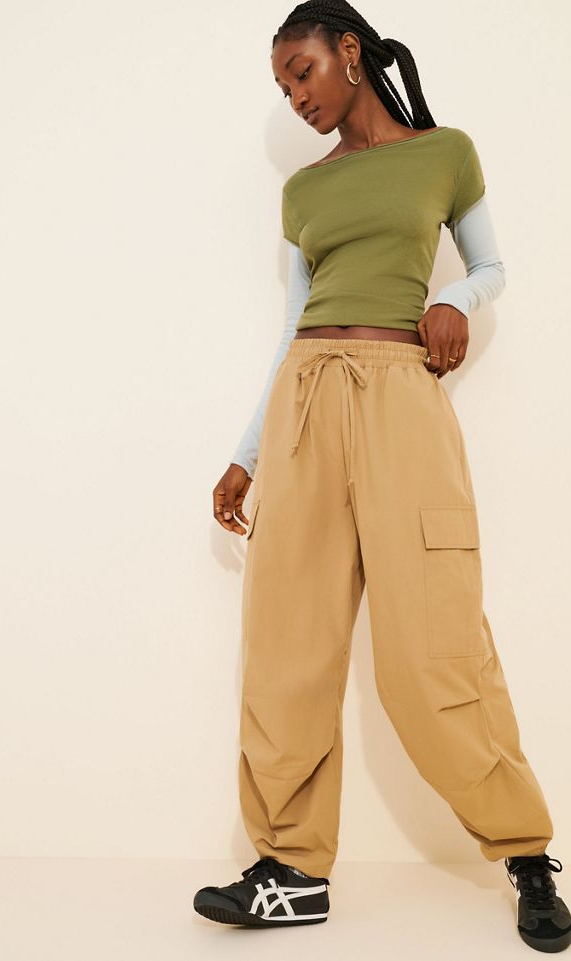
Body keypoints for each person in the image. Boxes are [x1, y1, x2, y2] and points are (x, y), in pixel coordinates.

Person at [194, 1, 571, 951]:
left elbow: (492, 263)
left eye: (303, 72)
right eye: (283, 86)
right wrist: (246, 453)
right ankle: (290, 869)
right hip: (305, 401)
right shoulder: (303, 193)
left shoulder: (445, 154)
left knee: (432, 645)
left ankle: (526, 851)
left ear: (350, 52)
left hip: (403, 395)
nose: (296, 96)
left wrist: (454, 298)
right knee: (287, 643)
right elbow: (292, 328)